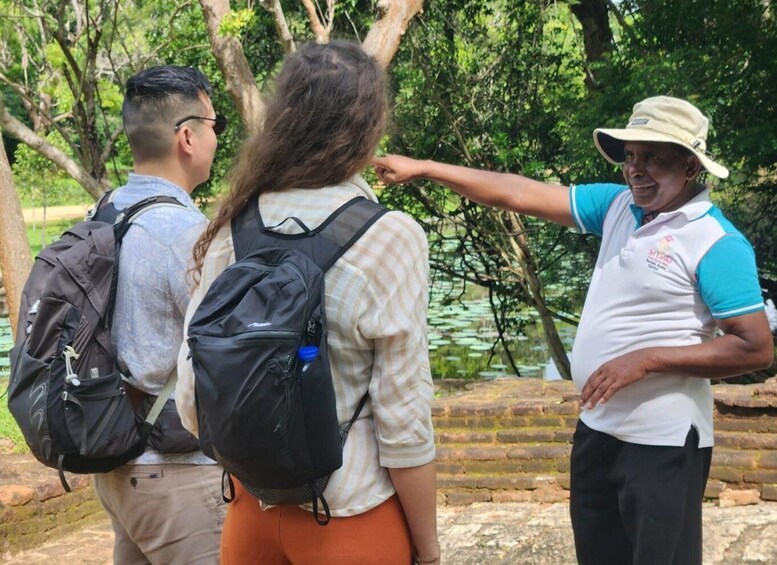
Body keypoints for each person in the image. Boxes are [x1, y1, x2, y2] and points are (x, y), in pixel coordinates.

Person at [373, 96, 774, 565]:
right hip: (597, 431)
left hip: (663, 443)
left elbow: (754, 347)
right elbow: (516, 192)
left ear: (690, 167)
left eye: (655, 159)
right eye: (630, 156)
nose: (636, 170)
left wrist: (646, 359)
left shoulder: (715, 242)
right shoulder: (618, 207)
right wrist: (425, 168)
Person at [176, 41, 440, 565]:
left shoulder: (231, 225)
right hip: (351, 521)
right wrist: (428, 551)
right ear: (368, 130)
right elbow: (404, 422)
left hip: (249, 518)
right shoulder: (389, 237)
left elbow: (191, 396)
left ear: (281, 120)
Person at [91, 65, 227, 564]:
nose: (217, 136)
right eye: (217, 124)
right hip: (178, 476)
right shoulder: (185, 235)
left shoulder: (104, 212)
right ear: (187, 136)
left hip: (117, 466)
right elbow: (227, 356)